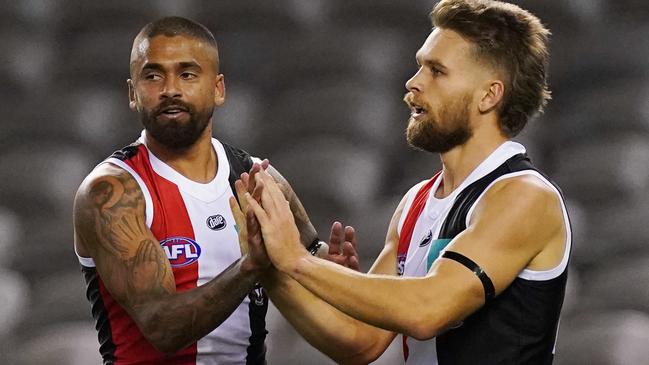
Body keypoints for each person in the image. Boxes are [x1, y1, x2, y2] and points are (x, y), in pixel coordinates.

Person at [236, 1, 571, 364]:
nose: (413, 83)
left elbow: (427, 310)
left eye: (437, 71)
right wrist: (268, 264)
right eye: (419, 66)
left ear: (489, 95)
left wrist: (299, 261)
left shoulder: (524, 196)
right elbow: (359, 341)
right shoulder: (416, 202)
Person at [72, 16, 358, 365]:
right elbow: (162, 329)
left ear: (218, 89)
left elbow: (309, 257)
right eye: (153, 75)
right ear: (133, 94)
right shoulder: (111, 193)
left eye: (187, 74)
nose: (170, 89)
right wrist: (250, 267)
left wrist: (334, 273)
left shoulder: (258, 180)